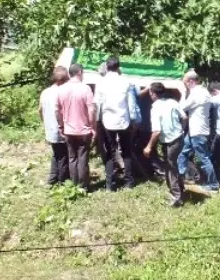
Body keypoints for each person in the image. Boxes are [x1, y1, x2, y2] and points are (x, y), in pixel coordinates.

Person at [94, 56, 140, 191]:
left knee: (110, 151)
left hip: (107, 121)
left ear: (107, 67)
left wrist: (97, 120)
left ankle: (110, 184)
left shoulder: (101, 83)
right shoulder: (125, 81)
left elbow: (97, 103)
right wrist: (133, 119)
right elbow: (131, 103)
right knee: (126, 151)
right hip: (123, 120)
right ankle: (129, 182)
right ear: (118, 67)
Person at [144, 82, 188, 207]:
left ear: (152, 94)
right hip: (178, 138)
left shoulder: (155, 108)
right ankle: (181, 190)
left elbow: (157, 131)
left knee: (170, 168)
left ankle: (176, 197)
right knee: (173, 165)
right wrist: (182, 130)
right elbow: (184, 117)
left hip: (170, 141)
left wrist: (148, 147)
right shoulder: (173, 102)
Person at [56, 63, 96, 192]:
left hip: (68, 130)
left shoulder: (61, 89)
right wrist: (93, 126)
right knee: (83, 158)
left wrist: (61, 125)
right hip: (83, 130)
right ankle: (83, 186)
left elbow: (57, 111)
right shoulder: (86, 89)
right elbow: (91, 111)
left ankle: (74, 185)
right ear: (79, 72)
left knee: (72, 158)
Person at [177, 70, 219, 193]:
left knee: (204, 158)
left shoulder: (197, 94)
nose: (184, 85)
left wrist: (183, 93)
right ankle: (180, 177)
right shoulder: (203, 92)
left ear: (190, 81)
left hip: (197, 131)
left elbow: (182, 107)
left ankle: (213, 185)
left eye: (185, 82)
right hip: (196, 130)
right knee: (183, 153)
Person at [39, 66, 70, 186]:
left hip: (49, 128)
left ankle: (52, 178)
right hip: (61, 128)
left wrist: (44, 122)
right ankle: (63, 181)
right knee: (63, 155)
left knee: (56, 153)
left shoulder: (45, 92)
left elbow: (40, 110)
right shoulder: (63, 92)